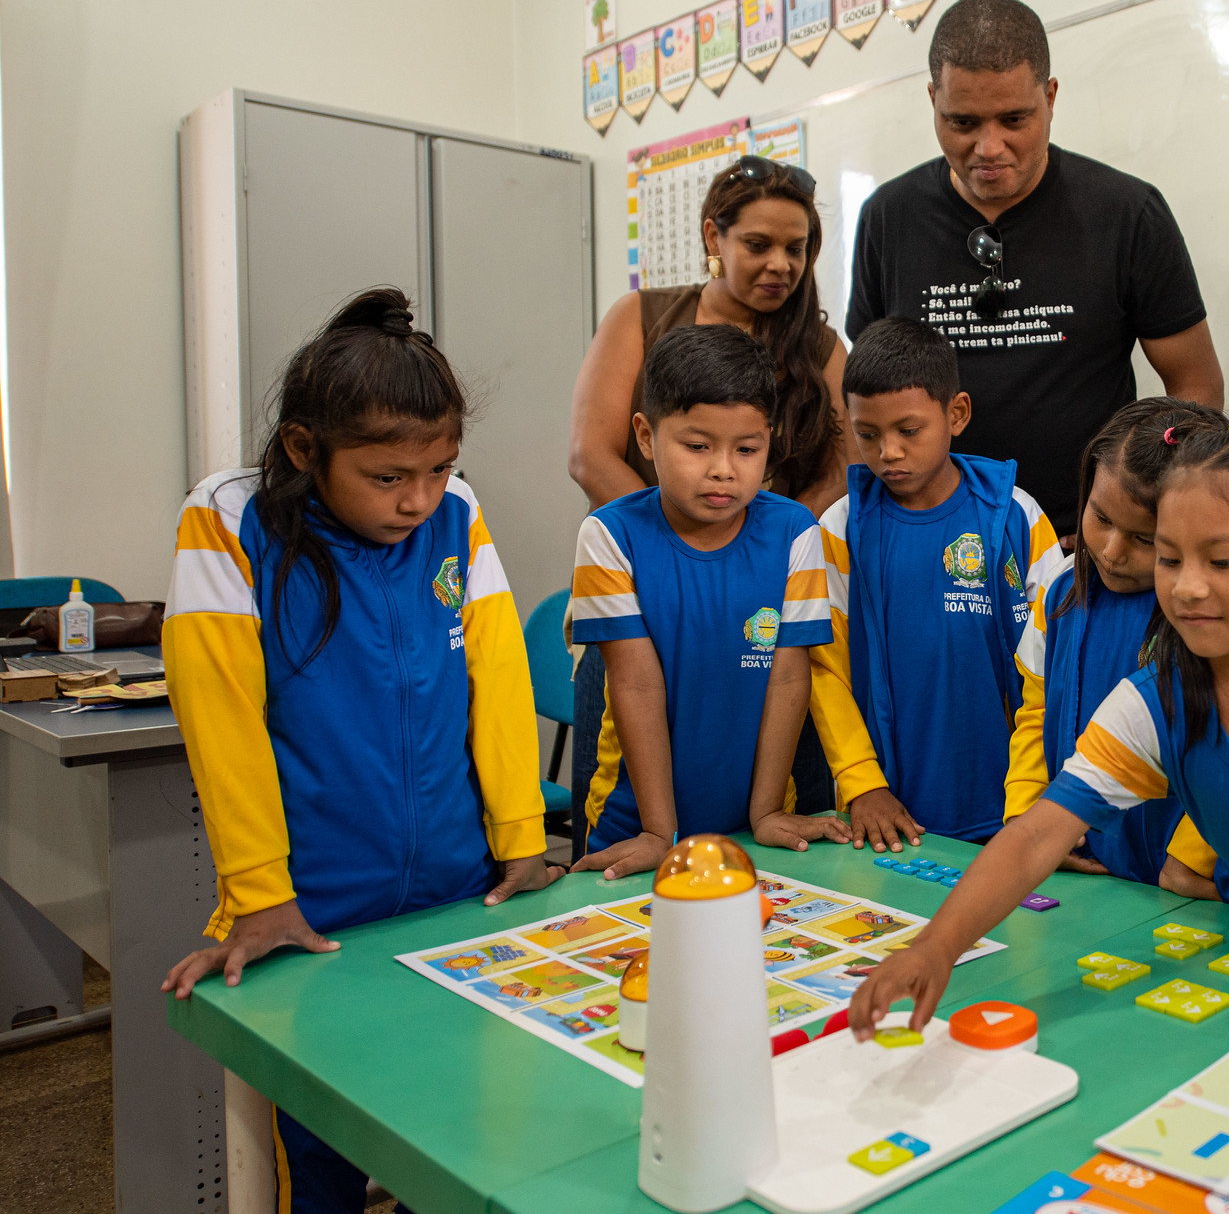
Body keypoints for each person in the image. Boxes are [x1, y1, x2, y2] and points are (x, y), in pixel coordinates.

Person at [844, 417, 1229, 1037]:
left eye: (1223, 561)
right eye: (1170, 559)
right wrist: (935, 948)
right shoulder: (1153, 703)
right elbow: (1039, 834)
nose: (1189, 588)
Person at [159, 290, 560, 1210]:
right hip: (315, 913)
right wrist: (259, 893)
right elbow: (220, 721)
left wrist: (521, 837)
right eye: (387, 477)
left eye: (439, 468)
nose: (418, 498)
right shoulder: (229, 520)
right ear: (305, 449)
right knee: (324, 1151)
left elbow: (495, 681)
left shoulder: (455, 513)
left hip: (456, 888)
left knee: (463, 1127)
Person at [846, 0, 1225, 539]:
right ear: (932, 100)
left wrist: (1134, 518)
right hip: (928, 539)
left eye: (1014, 119)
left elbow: (1194, 383)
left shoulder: (1126, 213)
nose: (988, 147)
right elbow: (865, 390)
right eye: (962, 122)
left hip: (1086, 546)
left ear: (1050, 97)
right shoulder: (888, 217)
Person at [566, 156, 849, 850]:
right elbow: (591, 454)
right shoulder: (643, 314)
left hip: (761, 601)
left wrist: (758, 544)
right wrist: (676, 549)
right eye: (758, 244)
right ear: (713, 237)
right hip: (650, 595)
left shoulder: (819, 343)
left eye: (797, 246)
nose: (780, 263)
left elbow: (845, 467)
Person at [810, 319, 1063, 849]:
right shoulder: (839, 529)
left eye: (908, 430)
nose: (888, 453)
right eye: (868, 434)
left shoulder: (1016, 517)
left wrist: (1032, 804)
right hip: (886, 819)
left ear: (956, 414)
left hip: (1015, 811)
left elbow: (1052, 670)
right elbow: (822, 670)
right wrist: (862, 785)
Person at [1004, 396, 1223, 889]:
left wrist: (1192, 857)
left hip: (1182, 882)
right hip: (1076, 866)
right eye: (1100, 518)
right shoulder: (1061, 590)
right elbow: (1036, 711)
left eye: (1145, 539)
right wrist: (1027, 818)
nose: (1111, 551)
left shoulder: (1214, 613)